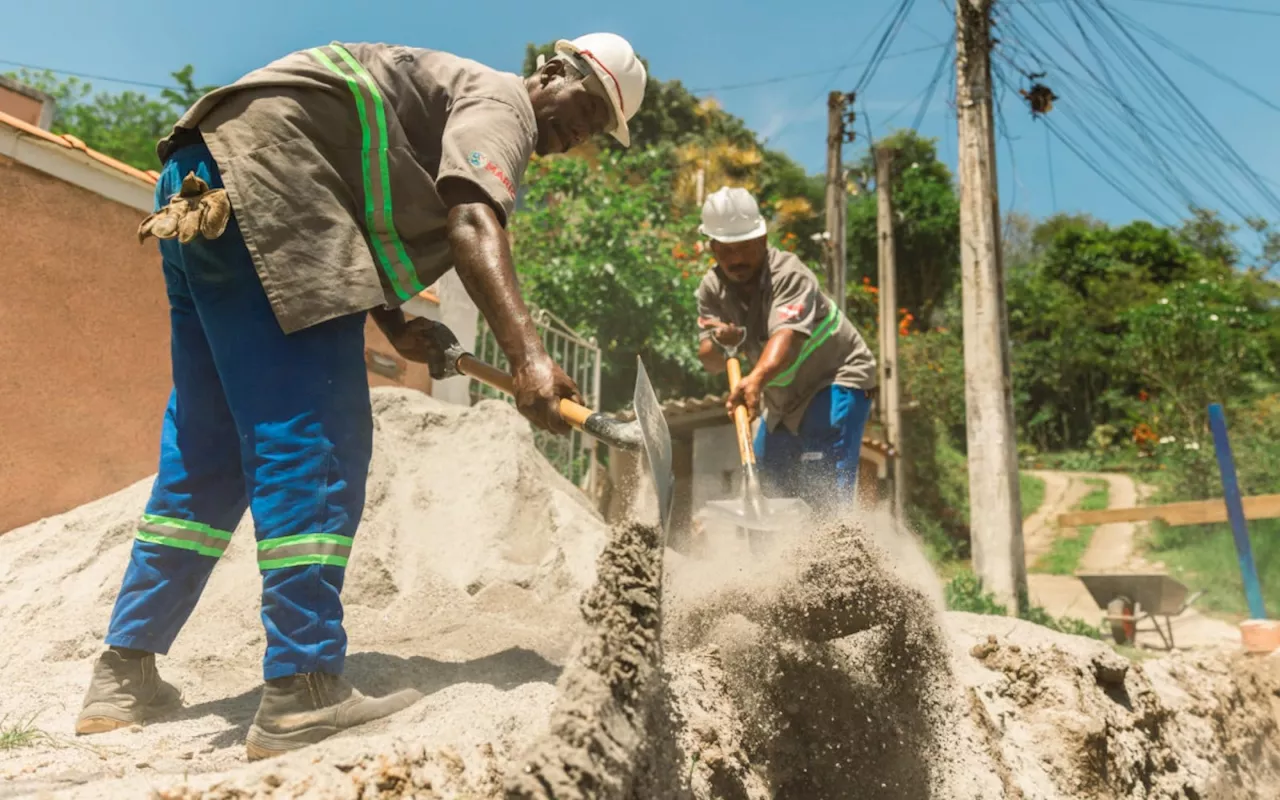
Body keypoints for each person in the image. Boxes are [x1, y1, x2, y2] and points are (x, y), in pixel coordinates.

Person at [75, 33, 647, 761]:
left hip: (201, 181)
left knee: (207, 453)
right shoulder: (503, 101)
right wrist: (530, 359)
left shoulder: (443, 96)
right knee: (317, 437)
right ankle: (302, 686)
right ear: (553, 73)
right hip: (268, 189)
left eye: (599, 127)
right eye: (589, 107)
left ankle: (123, 674)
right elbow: (474, 221)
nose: (582, 132)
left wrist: (396, 320)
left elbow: (349, 187)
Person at [694, 186, 878, 515]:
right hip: (781, 397)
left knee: (821, 474)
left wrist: (755, 380)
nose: (735, 259)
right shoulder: (711, 289)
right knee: (770, 485)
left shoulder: (789, 274)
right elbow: (708, 360)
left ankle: (836, 556)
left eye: (745, 247)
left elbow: (786, 337)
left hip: (836, 377)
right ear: (712, 247)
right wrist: (718, 342)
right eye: (725, 250)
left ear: (763, 240)